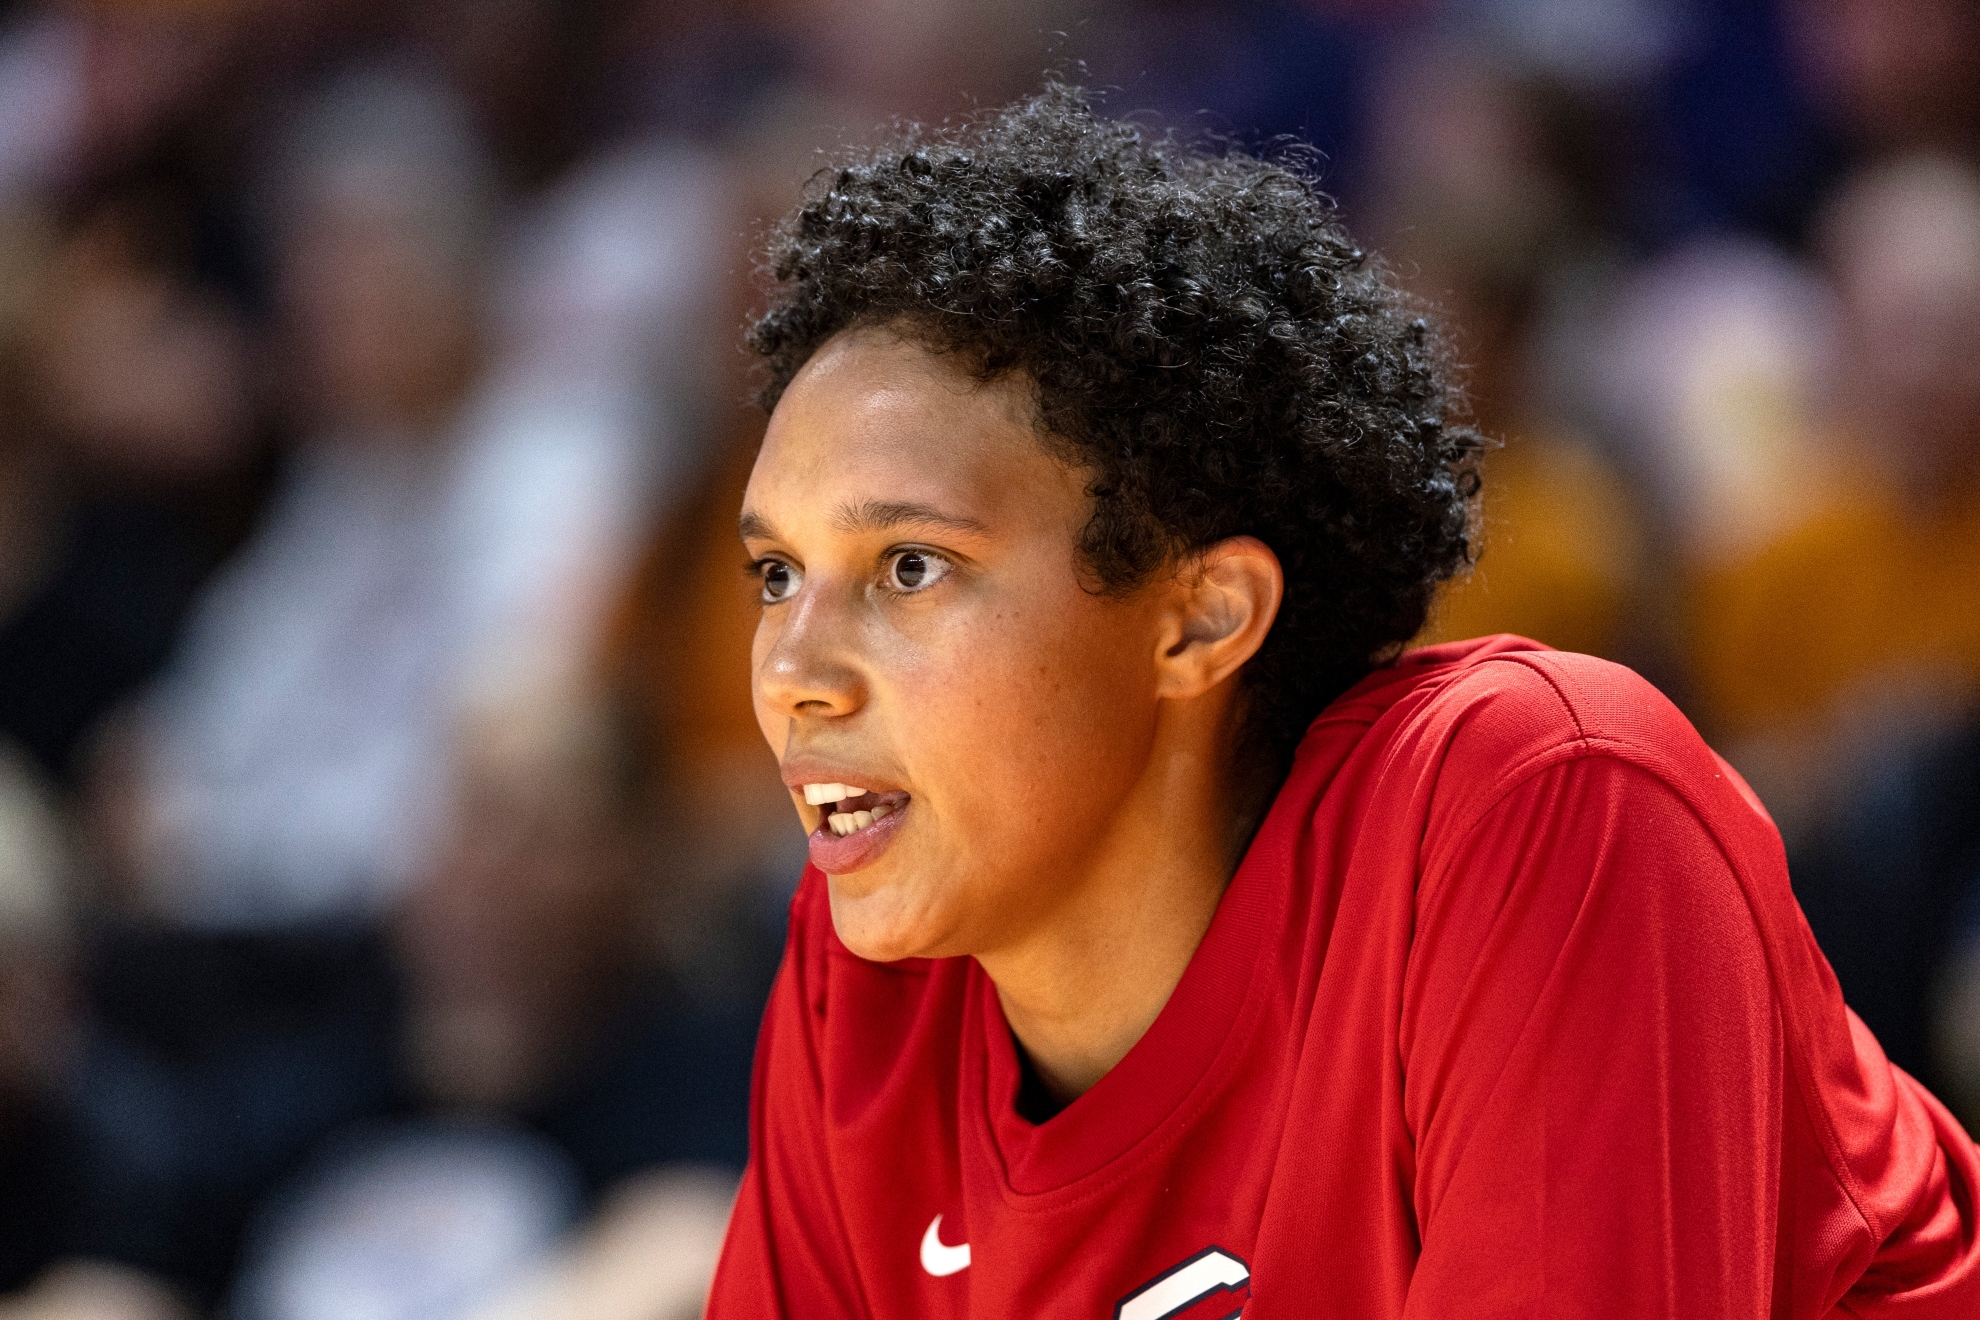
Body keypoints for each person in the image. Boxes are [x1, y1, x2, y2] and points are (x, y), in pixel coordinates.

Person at [705, 86, 1980, 1318]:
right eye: (776, 573)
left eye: (909, 566)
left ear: (1201, 617)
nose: (789, 671)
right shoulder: (876, 969)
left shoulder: (1542, 805)